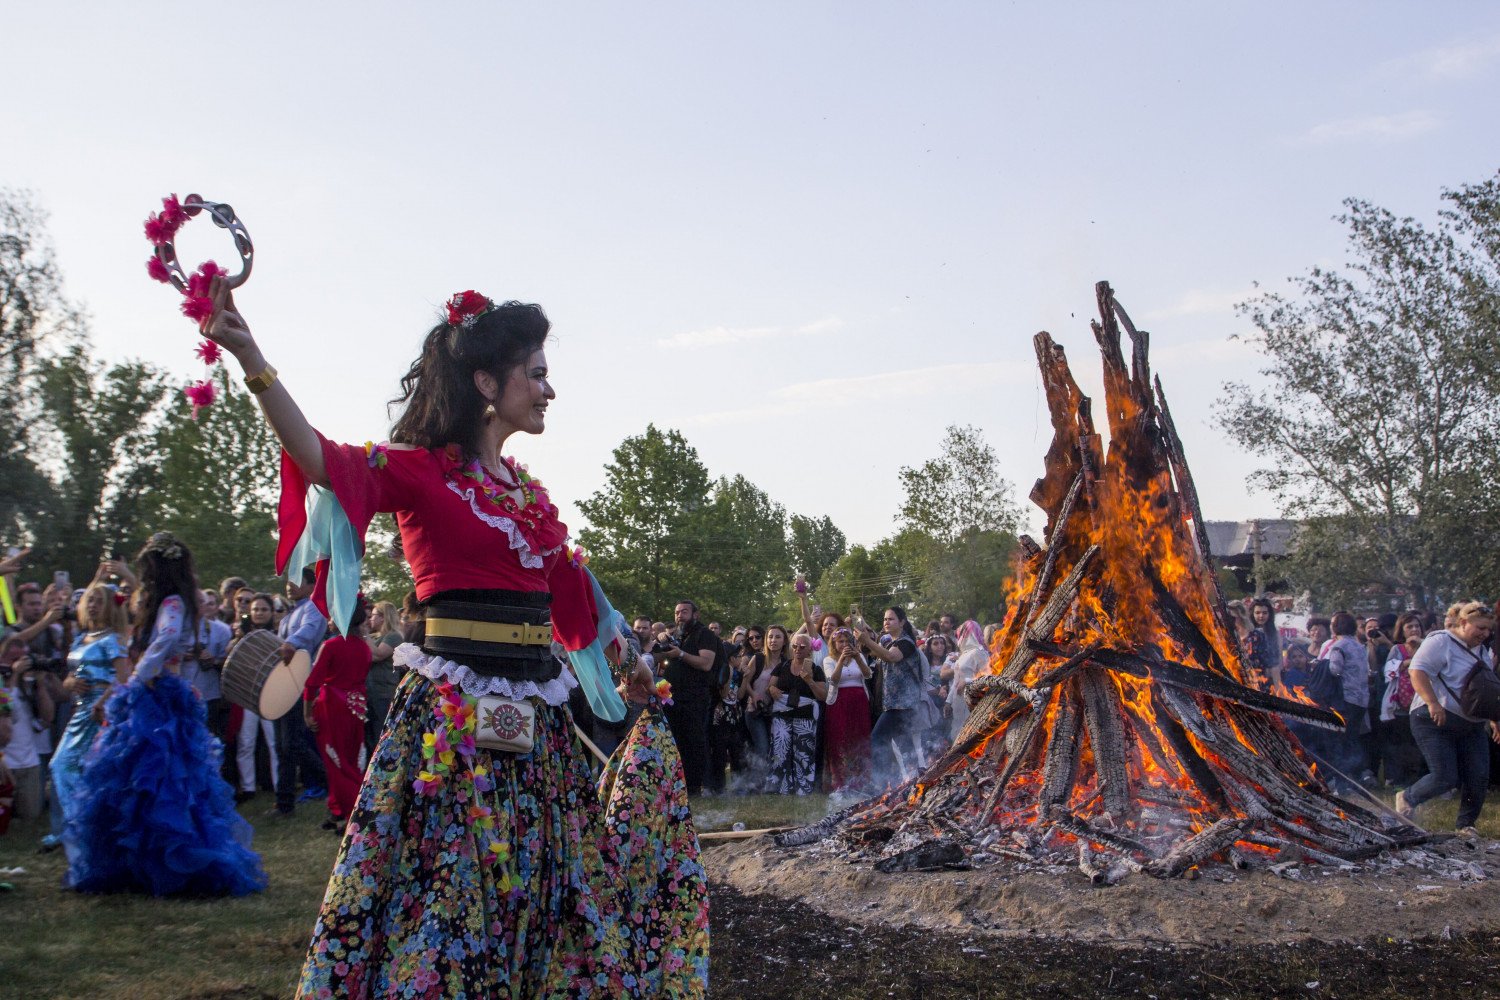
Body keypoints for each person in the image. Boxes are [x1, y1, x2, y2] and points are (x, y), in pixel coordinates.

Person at [200, 281, 707, 995]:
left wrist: (635, 669)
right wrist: (252, 357)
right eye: (536, 374)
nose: (549, 390)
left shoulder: (530, 502)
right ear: (485, 383)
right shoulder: (421, 474)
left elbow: (579, 604)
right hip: (451, 737)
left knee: (544, 896)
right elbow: (320, 459)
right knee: (451, 898)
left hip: (540, 745)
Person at [66, 532, 266, 896]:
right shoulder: (168, 600)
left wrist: (138, 678)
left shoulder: (173, 602)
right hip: (154, 691)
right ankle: (138, 863)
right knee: (142, 777)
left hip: (156, 694)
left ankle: (168, 861)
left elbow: (166, 639)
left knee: (161, 777)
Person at [1395, 601, 1500, 835]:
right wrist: (1433, 703)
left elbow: (1486, 689)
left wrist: (1494, 719)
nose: (1484, 634)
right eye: (1480, 628)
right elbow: (1417, 671)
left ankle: (1466, 825)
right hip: (1432, 719)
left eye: (1488, 630)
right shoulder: (1440, 641)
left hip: (1471, 723)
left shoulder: (1482, 650)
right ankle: (1408, 797)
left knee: (1478, 776)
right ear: (1463, 623)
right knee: (1445, 776)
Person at [48, 583, 130, 862]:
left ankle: (87, 831)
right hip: (80, 711)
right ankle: (80, 828)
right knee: (62, 766)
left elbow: (124, 677)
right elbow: (69, 678)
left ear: (110, 606)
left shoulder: (114, 639)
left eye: (99, 600)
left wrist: (103, 701)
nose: (92, 604)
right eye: (89, 600)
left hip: (101, 712)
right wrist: (70, 682)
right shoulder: (81, 638)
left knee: (89, 772)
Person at [304, 595, 373, 830]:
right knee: (350, 759)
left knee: (337, 762)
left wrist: (307, 713)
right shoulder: (364, 647)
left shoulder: (331, 645)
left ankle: (354, 812)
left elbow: (312, 683)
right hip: (357, 705)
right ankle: (337, 809)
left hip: (333, 706)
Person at [273, 568, 329, 816]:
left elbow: (308, 633)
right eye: (288, 582)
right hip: (285, 684)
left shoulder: (313, 609)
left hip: (302, 684)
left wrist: (290, 644)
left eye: (296, 582)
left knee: (291, 744)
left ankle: (285, 802)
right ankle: (331, 782)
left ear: (310, 586)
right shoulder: (288, 617)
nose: (289, 586)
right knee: (287, 744)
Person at [858, 607, 928, 787]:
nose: (886, 622)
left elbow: (890, 656)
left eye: (891, 619)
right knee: (905, 748)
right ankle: (912, 783)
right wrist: (862, 627)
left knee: (877, 739)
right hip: (895, 704)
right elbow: (876, 651)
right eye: (885, 619)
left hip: (903, 705)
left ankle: (881, 785)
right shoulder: (892, 642)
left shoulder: (906, 643)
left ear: (902, 622)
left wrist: (867, 639)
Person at [657, 599, 719, 796]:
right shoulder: (675, 635)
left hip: (694, 698)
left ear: (695, 615)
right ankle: (674, 786)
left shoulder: (705, 634)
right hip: (669, 698)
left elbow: (706, 663)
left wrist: (681, 654)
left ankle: (693, 788)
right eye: (677, 612)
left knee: (693, 742)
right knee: (673, 742)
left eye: (684, 611)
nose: (679, 615)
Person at [232, 593, 280, 801]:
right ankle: (248, 787)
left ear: (270, 612)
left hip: (271, 694)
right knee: (246, 741)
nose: (259, 613)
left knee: (273, 742)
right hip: (248, 694)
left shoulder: (278, 635)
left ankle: (280, 784)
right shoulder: (241, 635)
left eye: (263, 609)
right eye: (255, 610)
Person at [766, 633, 826, 794]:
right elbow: (770, 685)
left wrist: (809, 681)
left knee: (803, 752)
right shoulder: (783, 666)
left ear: (809, 650)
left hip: (805, 716)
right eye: (794, 646)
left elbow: (822, 696)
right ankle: (780, 787)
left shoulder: (816, 669)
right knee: (780, 750)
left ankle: (803, 788)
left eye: (802, 646)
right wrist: (772, 689)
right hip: (782, 714)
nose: (797, 649)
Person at [1, 635, 53, 823]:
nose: (19, 664)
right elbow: (3, 706)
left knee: (30, 816)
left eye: (23, 659)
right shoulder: (5, 684)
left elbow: (47, 719)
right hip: (5, 762)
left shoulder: (28, 685)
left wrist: (41, 684)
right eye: (13, 659)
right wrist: (13, 676)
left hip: (29, 762)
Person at [821, 625, 872, 792]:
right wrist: (841, 660)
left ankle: (861, 782)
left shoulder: (860, 657)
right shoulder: (828, 660)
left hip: (859, 701)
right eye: (840, 641)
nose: (844, 644)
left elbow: (867, 675)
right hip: (839, 702)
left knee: (859, 739)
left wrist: (857, 658)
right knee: (839, 740)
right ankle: (840, 784)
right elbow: (833, 680)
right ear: (834, 644)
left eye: (847, 641)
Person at [1325, 612, 1372, 786]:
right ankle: (1362, 774)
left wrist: (1319, 664)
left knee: (1340, 740)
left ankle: (1342, 781)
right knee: (1353, 738)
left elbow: (1335, 670)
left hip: (1345, 699)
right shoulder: (1359, 646)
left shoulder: (1339, 646)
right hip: (1361, 699)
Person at [1378, 612, 1425, 787]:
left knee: (1419, 742)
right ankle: (1398, 778)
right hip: (1401, 704)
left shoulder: (1428, 646)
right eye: (1409, 626)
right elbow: (1389, 673)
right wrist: (1406, 663)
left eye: (1417, 626)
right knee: (1401, 742)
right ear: (1402, 630)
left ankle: (1418, 777)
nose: (1414, 629)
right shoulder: (1397, 650)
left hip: (1423, 703)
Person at [363, 599, 404, 754]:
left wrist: (364, 634)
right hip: (371, 692)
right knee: (370, 736)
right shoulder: (377, 636)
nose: (370, 619)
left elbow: (378, 655)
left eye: (373, 615)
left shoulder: (394, 637)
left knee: (379, 734)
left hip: (383, 693)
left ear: (383, 617)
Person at [946, 620, 988, 740]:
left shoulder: (979, 653)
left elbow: (987, 676)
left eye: (963, 630)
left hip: (971, 699)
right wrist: (948, 702)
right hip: (958, 702)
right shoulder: (963, 655)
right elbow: (955, 681)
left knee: (969, 735)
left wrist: (967, 681)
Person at [1244, 598, 1283, 690]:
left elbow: (1279, 657)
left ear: (1269, 614)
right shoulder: (1247, 633)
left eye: (1264, 613)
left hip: (1270, 677)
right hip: (1250, 676)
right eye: (1257, 613)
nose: (1261, 616)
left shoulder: (1274, 633)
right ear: (1252, 614)